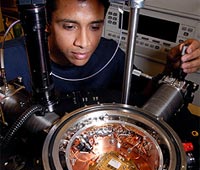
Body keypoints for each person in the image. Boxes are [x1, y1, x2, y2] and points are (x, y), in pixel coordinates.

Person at [2, 0, 200, 102]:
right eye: (69, 26)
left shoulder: (110, 54)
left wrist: (171, 69)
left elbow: (144, 93)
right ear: (46, 24)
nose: (84, 42)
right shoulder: (9, 59)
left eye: (95, 27)